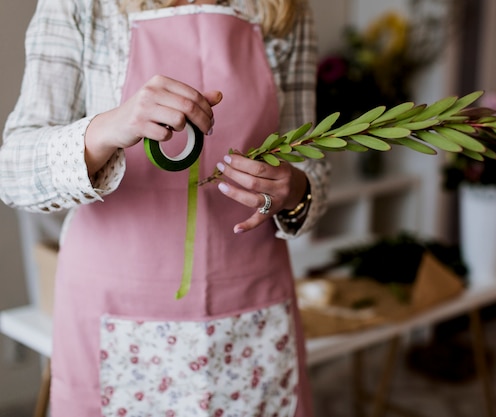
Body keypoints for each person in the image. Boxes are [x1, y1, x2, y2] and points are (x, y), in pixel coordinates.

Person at [0, 0, 330, 416]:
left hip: (251, 310)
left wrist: (296, 188)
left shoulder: (283, 9)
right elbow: (12, 172)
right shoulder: (82, 6)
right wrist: (106, 128)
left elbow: (312, 157)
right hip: (114, 311)